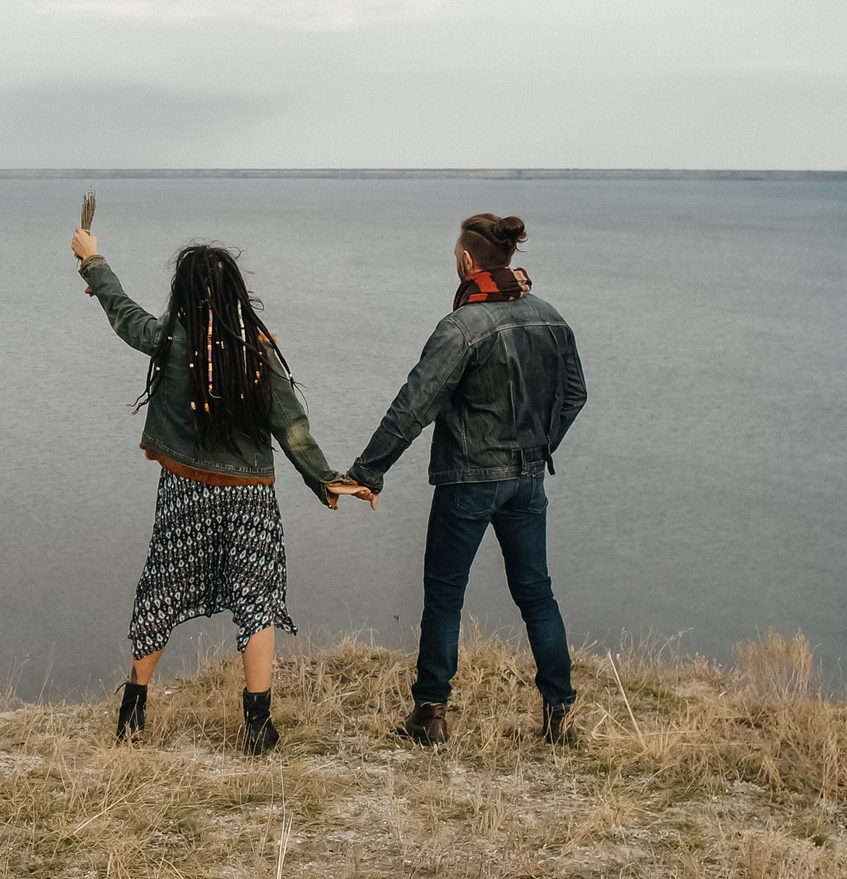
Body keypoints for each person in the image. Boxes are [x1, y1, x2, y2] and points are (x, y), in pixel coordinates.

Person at [71, 224, 372, 753]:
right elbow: (292, 425)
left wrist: (93, 262)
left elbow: (126, 316)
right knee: (257, 600)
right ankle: (257, 725)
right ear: (235, 290)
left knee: (161, 591)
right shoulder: (256, 348)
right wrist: (327, 481)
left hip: (186, 490)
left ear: (183, 292)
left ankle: (133, 711)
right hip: (249, 495)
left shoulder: (169, 337)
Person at [342, 214, 588, 746]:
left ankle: (431, 715)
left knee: (446, 594)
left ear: (467, 262)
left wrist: (368, 472)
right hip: (527, 478)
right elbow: (574, 396)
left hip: (468, 479)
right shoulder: (551, 318)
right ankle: (559, 716)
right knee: (536, 594)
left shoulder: (459, 329)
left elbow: (414, 406)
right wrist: (540, 446)